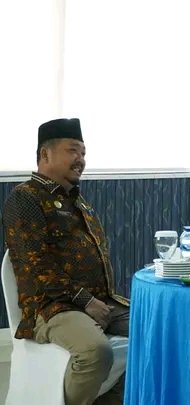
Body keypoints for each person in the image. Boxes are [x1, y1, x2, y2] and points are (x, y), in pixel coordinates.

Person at [2, 118, 129, 405]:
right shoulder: (25, 198)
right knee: (96, 351)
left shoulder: (78, 202)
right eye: (73, 150)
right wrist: (85, 300)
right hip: (50, 307)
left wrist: (96, 301)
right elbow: (36, 265)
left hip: (98, 301)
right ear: (45, 154)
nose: (81, 159)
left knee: (154, 336)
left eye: (83, 153)